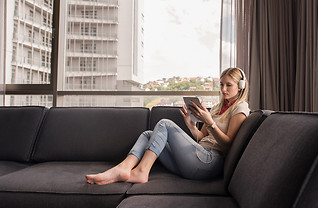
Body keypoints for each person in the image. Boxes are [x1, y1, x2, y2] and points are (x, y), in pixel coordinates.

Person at [85, 67, 250, 185]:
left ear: (240, 86)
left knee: (165, 123)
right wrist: (191, 126)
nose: (223, 89)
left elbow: (228, 145)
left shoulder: (240, 108)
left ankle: (141, 171)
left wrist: (210, 122)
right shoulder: (216, 108)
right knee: (148, 134)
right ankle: (123, 167)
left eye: (228, 85)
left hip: (209, 163)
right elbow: (202, 138)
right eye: (221, 84)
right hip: (194, 159)